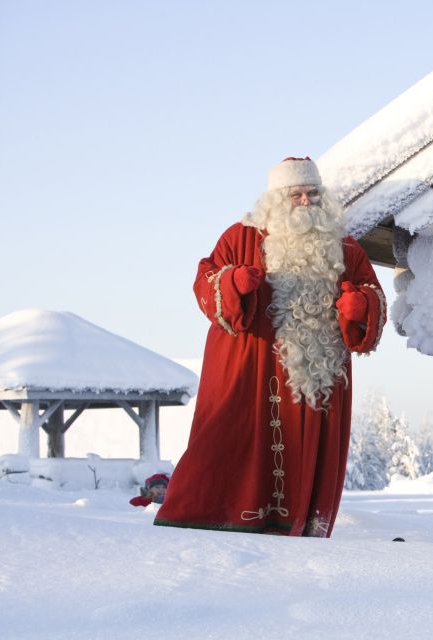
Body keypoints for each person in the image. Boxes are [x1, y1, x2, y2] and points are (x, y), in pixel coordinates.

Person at [155, 157, 385, 537]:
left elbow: (374, 296)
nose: (306, 203)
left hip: (318, 377)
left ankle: (295, 526)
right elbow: (205, 282)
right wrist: (232, 283)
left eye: (313, 194)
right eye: (296, 195)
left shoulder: (345, 248)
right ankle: (202, 523)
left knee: (302, 456)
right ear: (277, 199)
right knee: (229, 442)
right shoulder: (239, 237)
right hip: (251, 370)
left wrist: (362, 306)